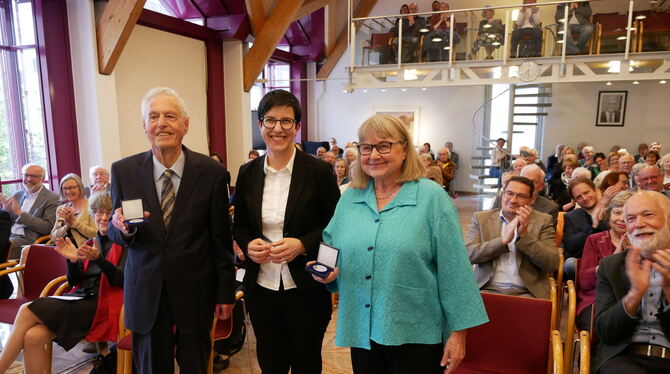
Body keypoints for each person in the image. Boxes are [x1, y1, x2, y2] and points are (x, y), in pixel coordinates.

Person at [316, 113, 487, 373]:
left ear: (405, 150)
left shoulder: (431, 198)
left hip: (416, 331)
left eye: (384, 145)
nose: (374, 154)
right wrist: (326, 271)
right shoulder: (351, 197)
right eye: (366, 147)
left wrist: (459, 333)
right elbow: (331, 243)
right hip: (362, 327)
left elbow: (455, 268)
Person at [108, 87, 235, 373]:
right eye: (153, 117)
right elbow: (116, 232)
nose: (161, 123)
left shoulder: (211, 172)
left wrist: (225, 292)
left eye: (170, 116)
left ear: (185, 124)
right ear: (144, 126)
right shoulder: (123, 171)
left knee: (195, 367)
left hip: (196, 293)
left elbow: (221, 239)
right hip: (146, 294)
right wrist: (121, 229)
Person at [233, 89, 339, 373]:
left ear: (297, 126)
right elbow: (240, 224)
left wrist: (302, 244)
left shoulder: (318, 172)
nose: (277, 128)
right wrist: (248, 243)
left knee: (306, 363)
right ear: (260, 125)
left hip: (305, 287)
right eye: (270, 120)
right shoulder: (248, 172)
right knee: (271, 363)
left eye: (286, 121)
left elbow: (335, 226)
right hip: (262, 288)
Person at [0, 192, 125, 374]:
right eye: (98, 212)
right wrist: (73, 262)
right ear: (92, 214)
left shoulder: (125, 243)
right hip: (79, 299)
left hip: (101, 304)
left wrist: (100, 259)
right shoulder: (91, 242)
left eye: (108, 213)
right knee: (32, 337)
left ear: (116, 216)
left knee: (26, 310)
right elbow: (74, 282)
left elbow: (122, 280)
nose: (103, 217)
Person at [593, 191, 670, 373]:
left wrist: (668, 288)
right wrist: (634, 295)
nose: (639, 224)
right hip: (624, 358)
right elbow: (606, 332)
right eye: (631, 219)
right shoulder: (611, 266)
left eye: (648, 215)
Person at [466, 176, 559, 298]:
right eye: (509, 193)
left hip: (527, 293)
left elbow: (552, 263)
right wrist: (502, 241)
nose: (513, 200)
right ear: (502, 194)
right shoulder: (481, 218)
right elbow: (467, 255)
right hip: (486, 289)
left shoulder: (543, 221)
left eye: (521, 196)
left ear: (531, 200)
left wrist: (524, 236)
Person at [577, 190, 633, 331]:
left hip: (634, 300)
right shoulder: (594, 240)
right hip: (597, 300)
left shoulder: (644, 242)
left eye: (628, 215)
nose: (621, 219)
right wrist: (614, 259)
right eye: (617, 212)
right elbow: (584, 281)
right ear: (609, 216)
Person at [562, 177, 618, 278]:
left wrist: (602, 208)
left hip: (612, 258)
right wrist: (593, 225)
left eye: (586, 192)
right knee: (570, 263)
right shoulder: (571, 217)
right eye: (579, 197)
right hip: (586, 264)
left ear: (595, 190)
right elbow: (571, 247)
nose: (584, 198)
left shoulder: (612, 212)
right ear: (575, 201)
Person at [0, 164, 59, 259]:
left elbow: (48, 228)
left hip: (27, 241)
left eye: (34, 176)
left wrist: (20, 213)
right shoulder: (17, 194)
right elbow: (6, 223)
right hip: (8, 235)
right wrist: (6, 210)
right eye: (26, 175)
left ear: (42, 179)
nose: (29, 179)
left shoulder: (52, 198)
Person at [491, 164, 559, 227]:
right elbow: (491, 226)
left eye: (533, 182)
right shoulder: (501, 199)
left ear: (541, 186)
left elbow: (546, 237)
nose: (528, 185)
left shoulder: (550, 208)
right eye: (524, 180)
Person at [50, 173, 96, 248]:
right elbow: (53, 237)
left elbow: (95, 234)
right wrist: (66, 226)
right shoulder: (61, 208)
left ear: (80, 188)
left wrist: (74, 222)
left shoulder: (91, 206)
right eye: (65, 188)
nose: (68, 191)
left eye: (72, 187)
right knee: (28, 249)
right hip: (62, 247)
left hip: (82, 248)